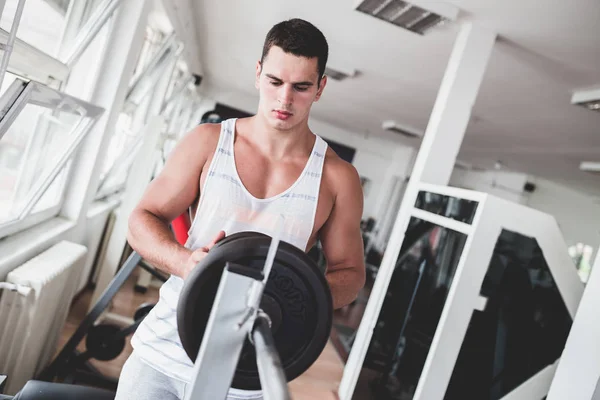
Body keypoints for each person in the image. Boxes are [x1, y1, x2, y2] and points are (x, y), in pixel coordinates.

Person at [115, 18, 365, 400]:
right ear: (258, 73)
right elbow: (140, 220)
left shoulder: (337, 178)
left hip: (247, 378)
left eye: (300, 87)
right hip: (163, 356)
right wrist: (186, 264)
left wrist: (297, 293)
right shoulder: (207, 143)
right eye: (275, 82)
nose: (284, 100)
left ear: (320, 88)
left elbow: (350, 274)